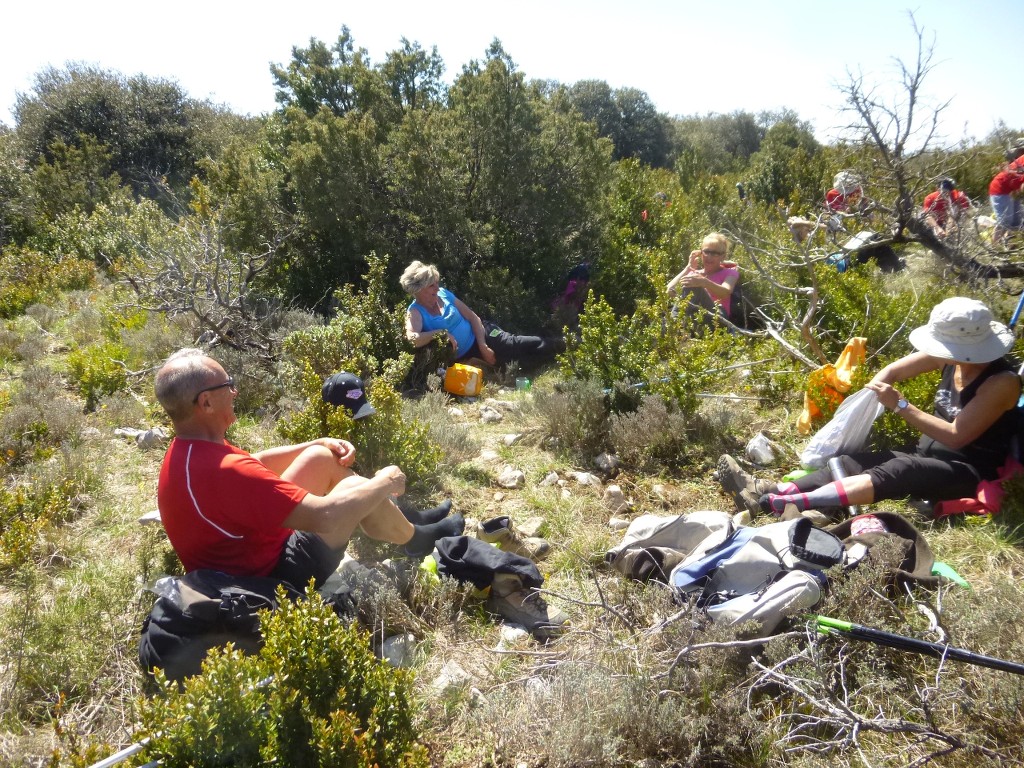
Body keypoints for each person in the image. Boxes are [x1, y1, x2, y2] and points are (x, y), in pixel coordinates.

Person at [154, 348, 464, 587]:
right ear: (206, 403)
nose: (234, 392)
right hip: (272, 576)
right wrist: (386, 480)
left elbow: (255, 463)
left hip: (244, 557)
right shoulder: (226, 470)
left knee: (320, 458)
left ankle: (406, 523)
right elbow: (326, 517)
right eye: (228, 385)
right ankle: (415, 538)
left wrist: (315, 443)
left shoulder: (189, 449)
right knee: (355, 488)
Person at [718, 297, 1021, 517]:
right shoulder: (953, 356)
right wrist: (868, 397)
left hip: (968, 473)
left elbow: (957, 436)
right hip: (926, 454)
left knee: (902, 469)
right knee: (851, 461)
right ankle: (773, 490)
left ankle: (787, 505)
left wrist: (900, 404)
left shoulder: (1000, 382)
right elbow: (893, 371)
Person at [401, 260, 563, 367]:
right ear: (418, 289)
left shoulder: (443, 293)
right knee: (513, 364)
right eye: (431, 286)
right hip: (466, 356)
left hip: (483, 334)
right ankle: (553, 356)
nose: (437, 288)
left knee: (512, 344)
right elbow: (412, 338)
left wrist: (483, 346)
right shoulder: (415, 311)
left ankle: (562, 344)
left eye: (437, 283)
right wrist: (440, 333)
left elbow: (472, 317)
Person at [666, 232, 740, 323]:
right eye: (706, 252)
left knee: (694, 286)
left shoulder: (730, 272)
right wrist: (688, 268)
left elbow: (726, 291)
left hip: (718, 319)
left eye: (715, 253)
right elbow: (670, 291)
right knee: (691, 285)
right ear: (700, 253)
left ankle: (673, 326)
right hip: (696, 319)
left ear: (723, 256)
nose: (709, 256)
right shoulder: (694, 274)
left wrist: (704, 282)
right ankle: (674, 326)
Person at [989, 138, 1024, 245]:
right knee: (1005, 222)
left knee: (1017, 221)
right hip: (1000, 189)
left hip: (1012, 189)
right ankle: (994, 248)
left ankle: (1009, 245)